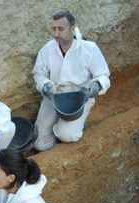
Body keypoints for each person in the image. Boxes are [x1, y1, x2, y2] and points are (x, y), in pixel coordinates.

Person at [33, 10, 110, 151]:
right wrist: (45, 86)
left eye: (61, 29)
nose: (56, 34)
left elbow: (103, 76)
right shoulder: (48, 49)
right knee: (38, 143)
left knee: (67, 135)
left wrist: (94, 88)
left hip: (80, 98)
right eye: (54, 29)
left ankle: (64, 128)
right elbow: (39, 74)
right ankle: (54, 146)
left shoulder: (90, 49)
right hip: (54, 96)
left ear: (73, 28)